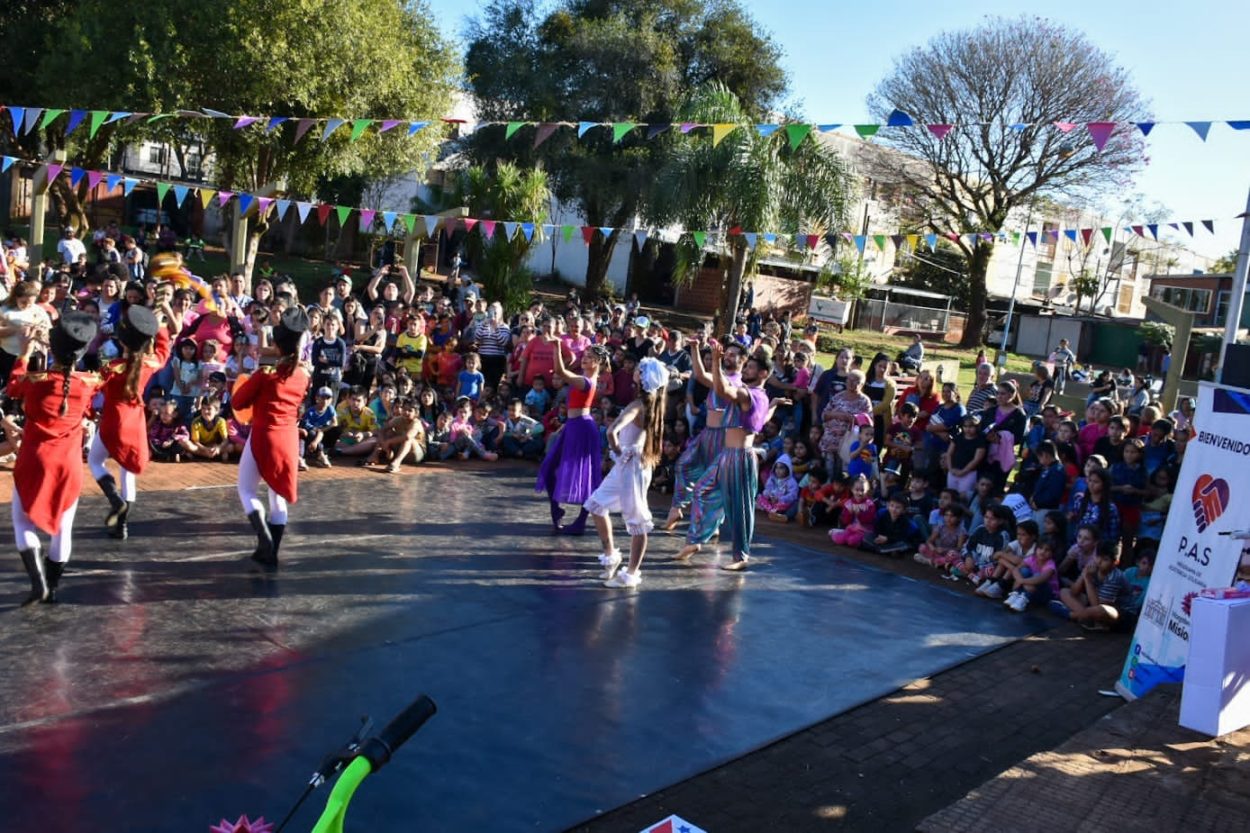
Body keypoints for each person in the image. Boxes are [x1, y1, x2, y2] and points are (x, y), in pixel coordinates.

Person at [9, 312, 101, 604]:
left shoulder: (36, 380)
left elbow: (13, 385)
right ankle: (52, 586)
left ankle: (39, 585)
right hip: (69, 464)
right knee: (64, 529)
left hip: (35, 459)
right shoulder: (88, 382)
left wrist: (26, 350)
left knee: (23, 524)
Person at [676, 345, 785, 570]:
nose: (746, 370)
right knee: (701, 490)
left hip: (740, 458)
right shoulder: (761, 396)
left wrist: (716, 361)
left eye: (752, 368)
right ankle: (696, 539)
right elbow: (762, 420)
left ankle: (741, 557)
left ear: (764, 374)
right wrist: (774, 406)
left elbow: (724, 391)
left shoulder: (749, 394)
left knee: (740, 509)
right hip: (726, 455)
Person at [89, 303, 178, 539]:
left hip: (113, 418)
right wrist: (158, 327)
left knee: (95, 461)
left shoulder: (113, 367)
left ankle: (115, 499)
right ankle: (123, 525)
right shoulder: (148, 364)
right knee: (128, 472)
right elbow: (164, 351)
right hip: (135, 420)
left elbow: (92, 387)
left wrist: (89, 411)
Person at [231, 307, 310, 571]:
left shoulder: (266, 376)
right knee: (278, 498)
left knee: (246, 490)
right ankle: (271, 552)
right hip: (288, 439)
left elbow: (238, 401)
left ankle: (263, 535)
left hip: (263, 436)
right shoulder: (303, 376)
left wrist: (246, 382)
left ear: (275, 345)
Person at [587, 357, 668, 588]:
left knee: (637, 520)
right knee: (596, 504)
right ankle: (612, 555)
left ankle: (631, 574)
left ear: (643, 379)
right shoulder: (653, 404)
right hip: (631, 464)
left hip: (632, 466)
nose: (635, 371)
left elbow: (611, 432)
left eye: (639, 370)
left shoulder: (638, 405)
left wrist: (619, 452)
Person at [663, 339, 743, 530]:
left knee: (713, 483)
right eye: (727, 353)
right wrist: (694, 348)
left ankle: (712, 524)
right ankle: (677, 507)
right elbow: (698, 374)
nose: (728, 356)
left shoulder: (735, 383)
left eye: (733, 354)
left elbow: (709, 380)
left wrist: (714, 361)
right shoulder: (720, 376)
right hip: (707, 434)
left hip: (722, 437)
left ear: (743, 360)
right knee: (683, 465)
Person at [535, 340, 607, 535]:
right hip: (573, 426)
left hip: (582, 428)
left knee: (588, 478)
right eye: (585, 355)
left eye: (590, 357)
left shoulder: (586, 382)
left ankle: (581, 521)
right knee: (548, 468)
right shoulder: (582, 377)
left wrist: (557, 347)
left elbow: (559, 370)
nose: (585, 358)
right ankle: (556, 508)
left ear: (598, 362)